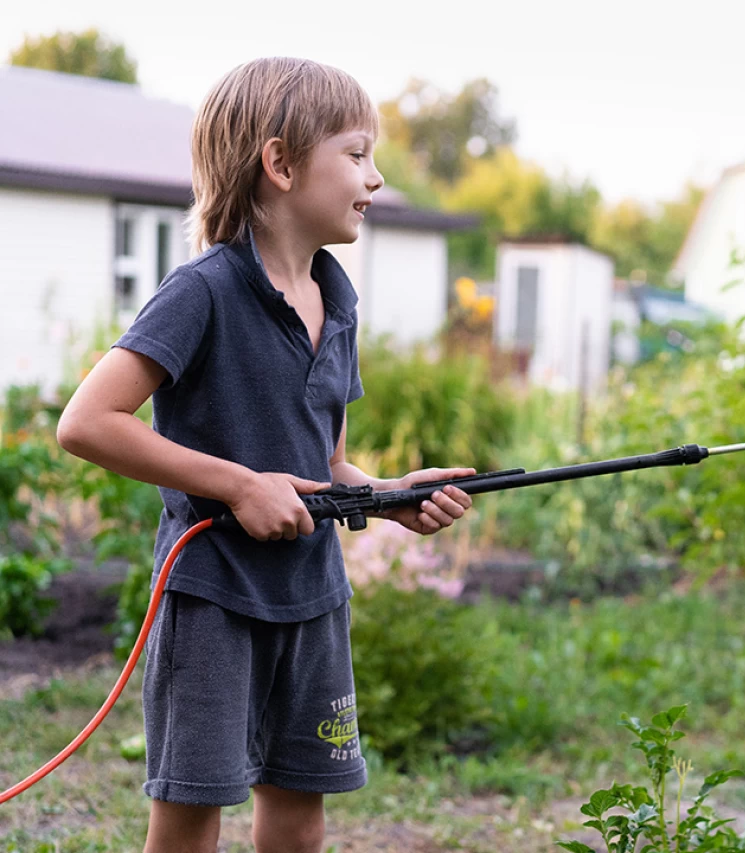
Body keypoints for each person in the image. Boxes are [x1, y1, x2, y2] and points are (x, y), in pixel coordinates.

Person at [55, 57, 474, 853]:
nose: (376, 178)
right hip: (213, 598)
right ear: (280, 163)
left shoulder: (338, 301)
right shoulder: (203, 291)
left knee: (299, 816)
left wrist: (389, 495)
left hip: (314, 600)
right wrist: (238, 485)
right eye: (356, 154)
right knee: (190, 818)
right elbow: (87, 420)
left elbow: (330, 465)